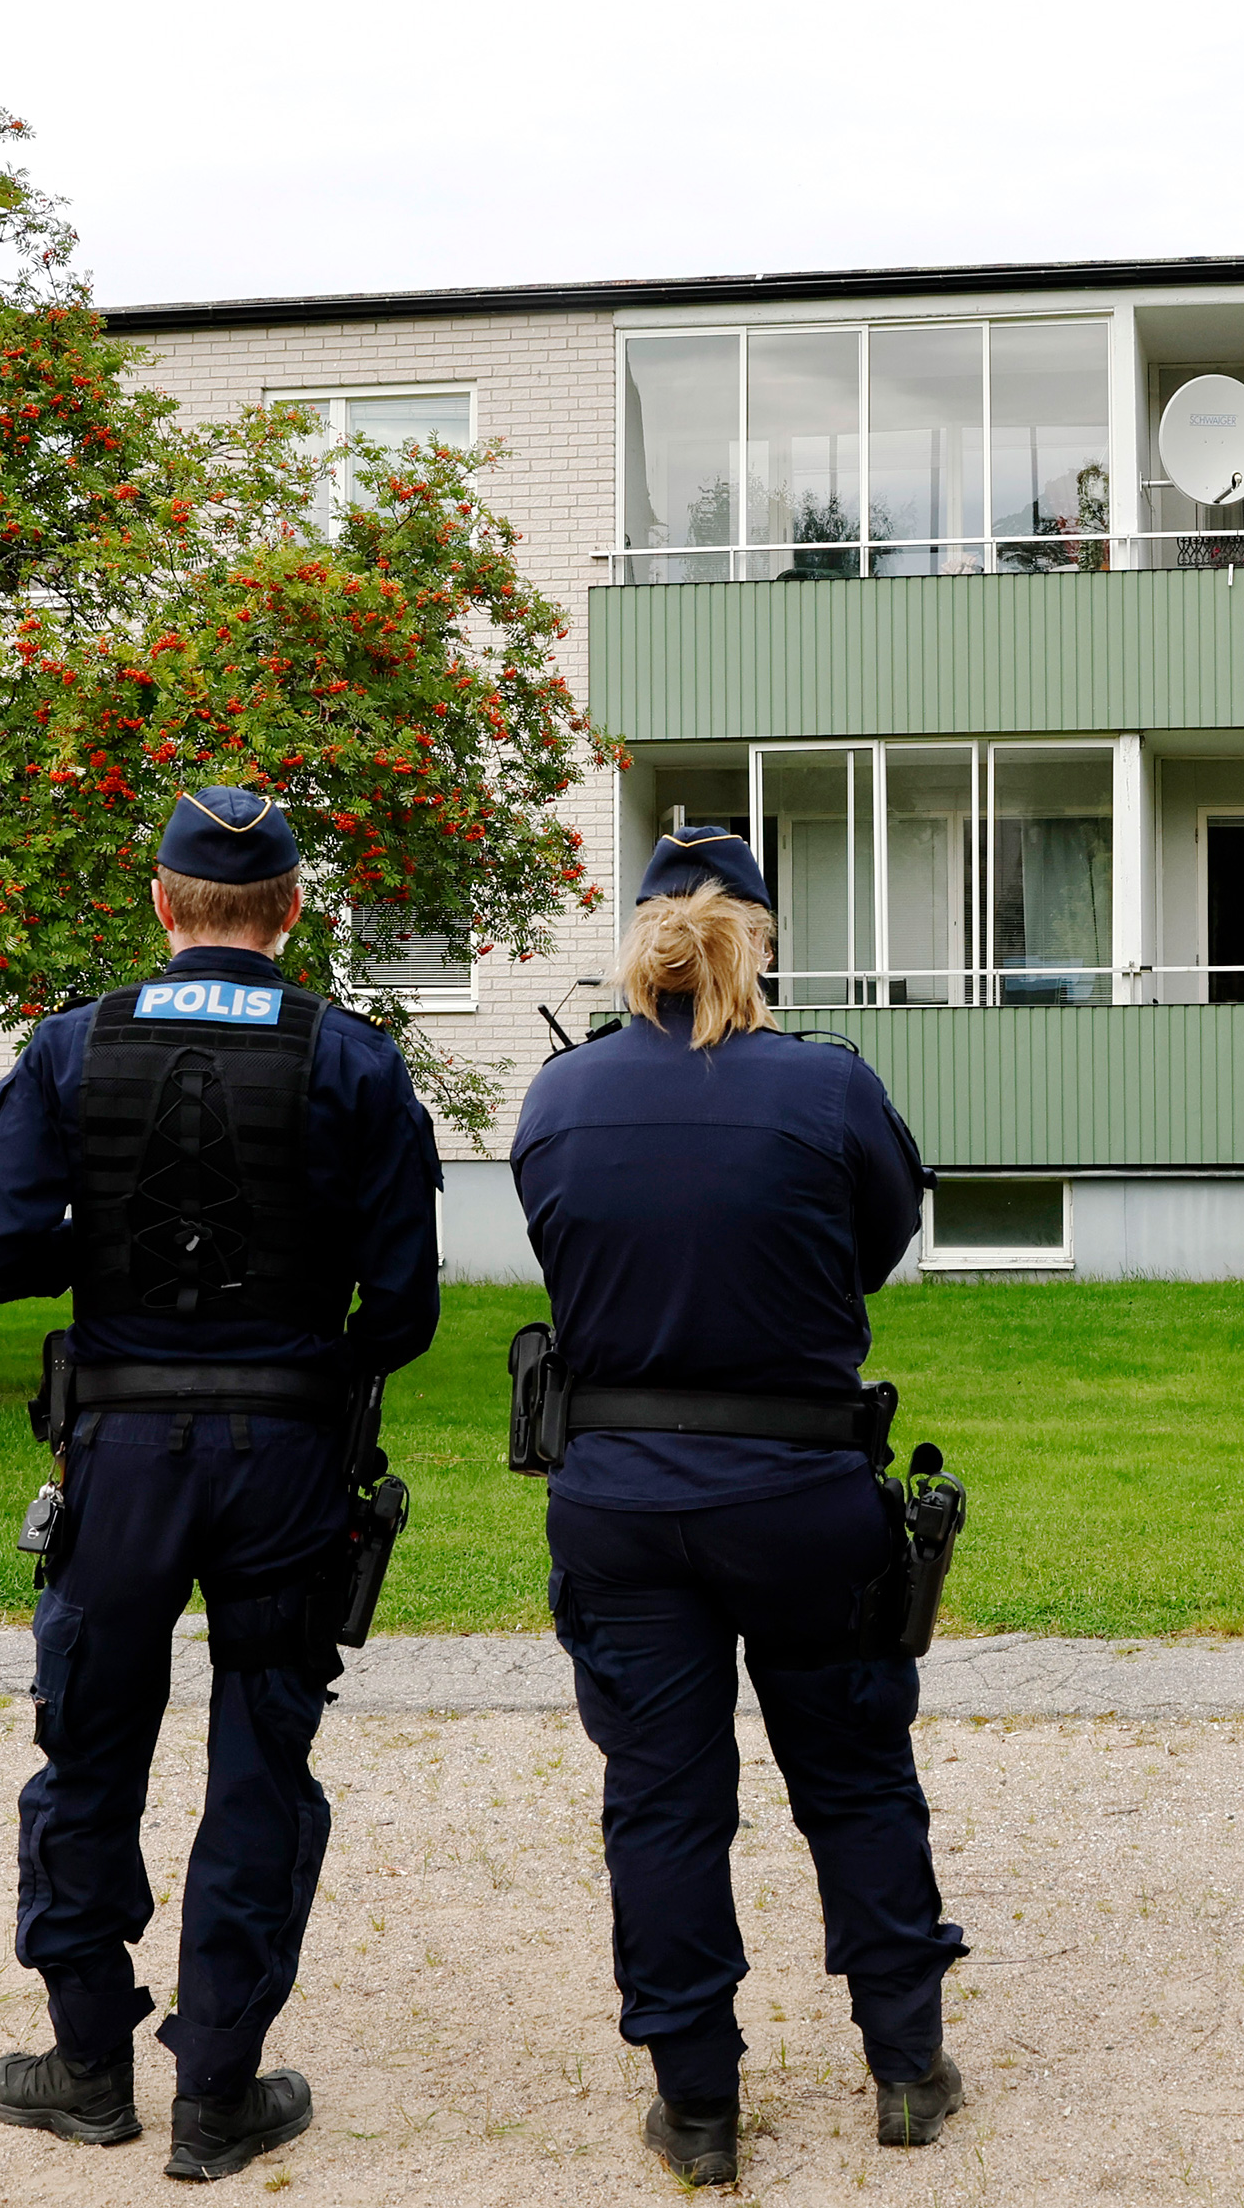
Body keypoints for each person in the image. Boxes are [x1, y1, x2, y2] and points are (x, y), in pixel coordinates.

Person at [0, 785, 443, 2184]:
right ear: (290, 910)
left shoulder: (71, 1043)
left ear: (163, 903)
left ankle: (90, 2064)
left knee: (89, 1750)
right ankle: (219, 2088)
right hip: (286, 1458)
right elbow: (402, 1311)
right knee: (261, 1761)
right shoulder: (352, 1059)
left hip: (119, 1460)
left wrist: (101, 1254)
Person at [510, 827, 969, 2189]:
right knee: (855, 1778)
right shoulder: (827, 1088)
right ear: (758, 936)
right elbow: (877, 1239)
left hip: (622, 1499)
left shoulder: (560, 1095)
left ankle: (699, 2107)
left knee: (661, 1802)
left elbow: (565, 1246)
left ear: (642, 934)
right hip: (800, 1492)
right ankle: (905, 2071)